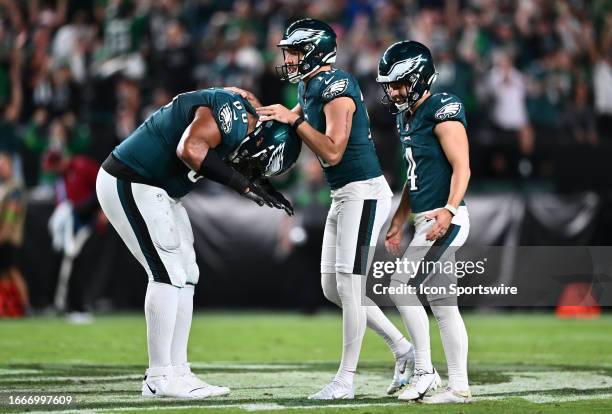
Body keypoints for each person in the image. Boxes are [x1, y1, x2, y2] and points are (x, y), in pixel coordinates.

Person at [239, 18, 415, 399]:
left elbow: (333, 149)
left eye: (294, 51)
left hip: (364, 192)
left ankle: (345, 380)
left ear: (314, 50)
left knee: (350, 288)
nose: (287, 58)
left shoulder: (336, 85)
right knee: (332, 288)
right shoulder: (308, 85)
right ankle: (404, 349)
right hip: (343, 193)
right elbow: (304, 139)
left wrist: (296, 119)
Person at [96, 87, 295, 399]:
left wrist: (256, 183)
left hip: (158, 190)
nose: (254, 169)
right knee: (167, 273)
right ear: (261, 138)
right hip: (132, 179)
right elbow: (190, 148)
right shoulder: (235, 115)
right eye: (261, 163)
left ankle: (178, 371)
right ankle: (159, 377)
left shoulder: (243, 122)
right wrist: (242, 185)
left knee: (187, 273)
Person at [376, 40, 472, 404]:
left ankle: (424, 371)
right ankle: (459, 386)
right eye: (390, 84)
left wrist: (448, 209)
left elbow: (462, 166)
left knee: (401, 285)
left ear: (418, 77)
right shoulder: (407, 115)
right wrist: (400, 218)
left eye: (399, 83)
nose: (393, 91)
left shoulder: (442, 108)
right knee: (444, 303)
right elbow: (414, 177)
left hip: (446, 217)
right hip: (424, 217)